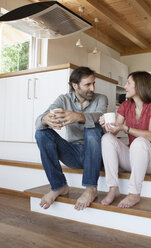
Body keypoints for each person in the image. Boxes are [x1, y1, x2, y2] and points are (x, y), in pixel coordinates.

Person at [35, 67, 108, 211]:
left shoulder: (101, 98)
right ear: (75, 85)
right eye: (87, 84)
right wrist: (45, 120)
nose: (92, 88)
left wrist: (79, 117)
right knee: (41, 133)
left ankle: (90, 188)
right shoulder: (63, 99)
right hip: (73, 153)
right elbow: (38, 122)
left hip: (96, 155)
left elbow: (99, 117)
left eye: (93, 84)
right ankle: (59, 186)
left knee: (92, 127)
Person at [99, 71, 151, 208]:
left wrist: (126, 128)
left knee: (140, 141)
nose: (125, 86)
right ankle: (113, 188)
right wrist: (107, 125)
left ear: (140, 86)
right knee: (106, 138)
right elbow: (115, 131)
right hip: (133, 158)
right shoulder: (125, 106)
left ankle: (134, 193)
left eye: (129, 83)